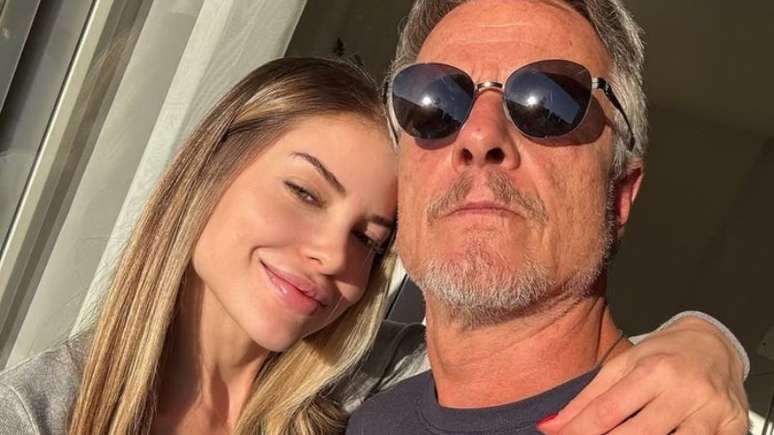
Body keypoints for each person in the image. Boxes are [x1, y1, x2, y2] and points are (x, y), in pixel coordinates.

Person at [0, 59, 745, 435]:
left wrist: (708, 340)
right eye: (304, 192)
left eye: (370, 238)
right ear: (207, 171)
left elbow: (555, 362)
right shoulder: (39, 411)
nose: (335, 257)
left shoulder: (364, 377)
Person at [346, 0, 750, 434]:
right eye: (434, 102)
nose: (478, 134)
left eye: (548, 103)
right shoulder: (368, 416)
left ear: (619, 193)